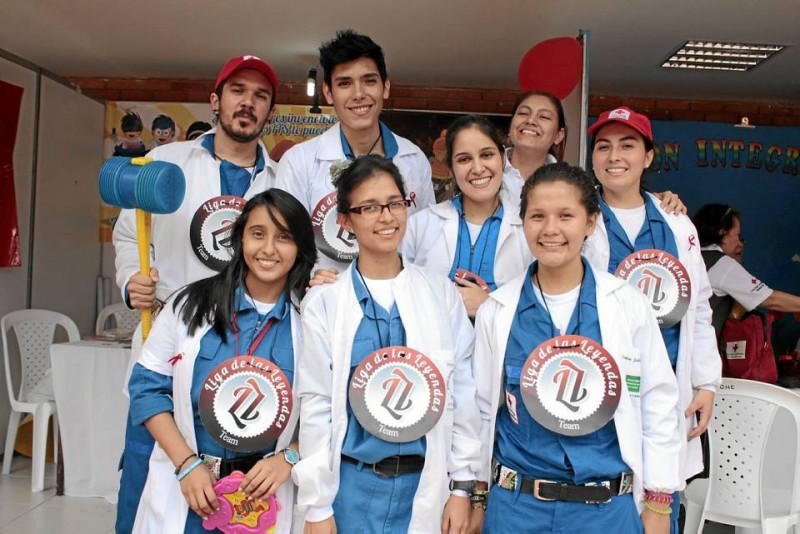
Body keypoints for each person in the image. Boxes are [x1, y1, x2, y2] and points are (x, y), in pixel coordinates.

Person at [113, 54, 280, 533]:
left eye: (260, 96)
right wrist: (130, 280)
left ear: (269, 110)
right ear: (215, 100)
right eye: (237, 91)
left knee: (229, 503)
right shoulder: (164, 163)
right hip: (167, 351)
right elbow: (130, 235)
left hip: (246, 364)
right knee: (145, 489)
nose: (248, 103)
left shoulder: (281, 182)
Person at [473, 162, 682, 534]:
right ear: (523, 224)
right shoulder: (498, 311)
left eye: (566, 215)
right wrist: (474, 495)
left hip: (607, 511)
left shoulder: (626, 304)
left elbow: (658, 401)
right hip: (517, 509)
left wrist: (659, 501)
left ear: (590, 223)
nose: (550, 229)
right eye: (537, 216)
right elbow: (482, 409)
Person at [294, 155, 481, 534]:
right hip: (351, 488)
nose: (387, 217)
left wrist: (462, 487)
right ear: (345, 220)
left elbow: (462, 391)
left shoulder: (439, 293)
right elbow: (316, 406)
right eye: (370, 207)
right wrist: (317, 507)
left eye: (395, 203)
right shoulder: (325, 302)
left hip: (425, 487)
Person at [128, 190, 316, 533]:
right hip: (190, 489)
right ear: (240, 237)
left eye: (284, 237)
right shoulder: (190, 304)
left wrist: (289, 457)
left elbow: (328, 412)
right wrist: (185, 464)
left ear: (301, 248)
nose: (269, 249)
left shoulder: (313, 320)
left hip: (263, 497)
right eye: (258, 234)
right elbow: (145, 388)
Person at [582, 107, 721, 532]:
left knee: (661, 500)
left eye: (628, 145)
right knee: (604, 502)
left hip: (666, 387)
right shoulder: (579, 218)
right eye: (603, 146)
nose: (614, 156)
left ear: (649, 156)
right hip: (600, 385)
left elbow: (698, 307)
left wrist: (706, 382)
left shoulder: (677, 223)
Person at [275, 30, 435, 274]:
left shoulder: (413, 159)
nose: (359, 94)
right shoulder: (300, 161)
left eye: (369, 80)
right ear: (328, 93)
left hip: (398, 301)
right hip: (325, 301)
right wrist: (307, 276)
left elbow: (425, 240)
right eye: (345, 83)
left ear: (386, 87)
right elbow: (284, 239)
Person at [402, 115, 531, 318]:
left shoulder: (528, 230)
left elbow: (541, 308)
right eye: (464, 159)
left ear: (503, 158)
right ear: (451, 170)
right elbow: (394, 291)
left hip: (503, 348)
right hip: (433, 347)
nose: (478, 169)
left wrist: (489, 306)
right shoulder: (420, 225)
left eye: (487, 155)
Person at [503, 91, 685, 216]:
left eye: (543, 117)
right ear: (510, 127)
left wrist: (659, 201)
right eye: (523, 114)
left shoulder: (574, 188)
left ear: (559, 135)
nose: (531, 121)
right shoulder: (484, 172)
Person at [692, 203, 800, 333]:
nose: (739, 243)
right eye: (737, 235)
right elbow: (770, 300)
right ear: (723, 235)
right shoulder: (721, 264)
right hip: (700, 345)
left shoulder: (694, 257)